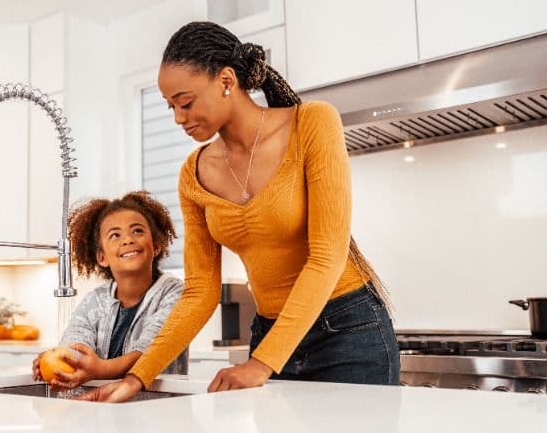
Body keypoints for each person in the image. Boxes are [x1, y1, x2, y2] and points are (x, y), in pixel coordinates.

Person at [78, 21, 400, 403]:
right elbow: (200, 292)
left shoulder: (312, 123)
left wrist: (261, 364)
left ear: (227, 81)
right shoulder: (194, 173)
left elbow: (327, 255)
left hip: (347, 331)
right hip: (269, 334)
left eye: (186, 102)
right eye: (172, 108)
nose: (179, 118)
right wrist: (137, 378)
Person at [32, 191, 187, 390]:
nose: (128, 240)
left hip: (159, 408)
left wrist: (100, 369)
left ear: (156, 246)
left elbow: (153, 351)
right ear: (101, 257)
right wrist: (61, 361)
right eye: (115, 235)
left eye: (138, 231)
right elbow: (76, 343)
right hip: (107, 411)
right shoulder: (94, 301)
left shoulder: (175, 293)